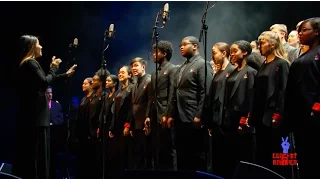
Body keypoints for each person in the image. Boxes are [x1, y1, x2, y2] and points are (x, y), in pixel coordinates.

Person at [13, 35, 76, 179]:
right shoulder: (31, 63)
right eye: (38, 44)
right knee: (38, 158)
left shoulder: (27, 64)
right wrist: (53, 68)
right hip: (38, 119)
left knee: (37, 157)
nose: (41, 46)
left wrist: (64, 75)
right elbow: (44, 82)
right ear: (31, 47)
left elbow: (44, 82)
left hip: (35, 118)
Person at [166, 36, 213, 172]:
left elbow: (206, 91)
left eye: (184, 44)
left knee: (196, 156)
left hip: (193, 117)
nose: (181, 47)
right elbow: (175, 93)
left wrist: (200, 115)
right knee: (182, 155)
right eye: (180, 45)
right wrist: (171, 114)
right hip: (180, 118)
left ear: (195, 46)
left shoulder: (202, 64)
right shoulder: (182, 67)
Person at [284, 17, 320, 179]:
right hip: (300, 119)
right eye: (299, 30)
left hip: (314, 118)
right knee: (304, 162)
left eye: (304, 30)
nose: (299, 33)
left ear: (317, 31)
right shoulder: (305, 54)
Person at [145, 40, 177, 170]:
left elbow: (172, 92)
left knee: (168, 147)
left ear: (164, 53)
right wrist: (147, 115)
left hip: (164, 113)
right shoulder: (154, 73)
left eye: (156, 52)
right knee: (156, 148)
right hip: (154, 114)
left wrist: (168, 113)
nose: (153, 54)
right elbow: (151, 96)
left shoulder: (172, 68)